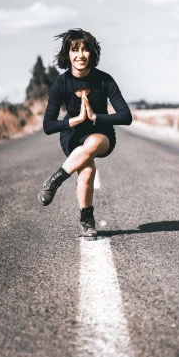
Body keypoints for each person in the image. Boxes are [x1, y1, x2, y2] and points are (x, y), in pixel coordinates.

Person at [39, 28, 133, 239]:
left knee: (91, 144)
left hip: (101, 134)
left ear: (92, 53)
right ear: (68, 54)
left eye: (85, 49)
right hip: (72, 135)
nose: (80, 55)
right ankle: (87, 222)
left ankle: (55, 180)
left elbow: (126, 116)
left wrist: (95, 118)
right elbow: (48, 125)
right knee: (87, 170)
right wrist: (77, 120)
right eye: (74, 50)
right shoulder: (60, 84)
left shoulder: (105, 80)